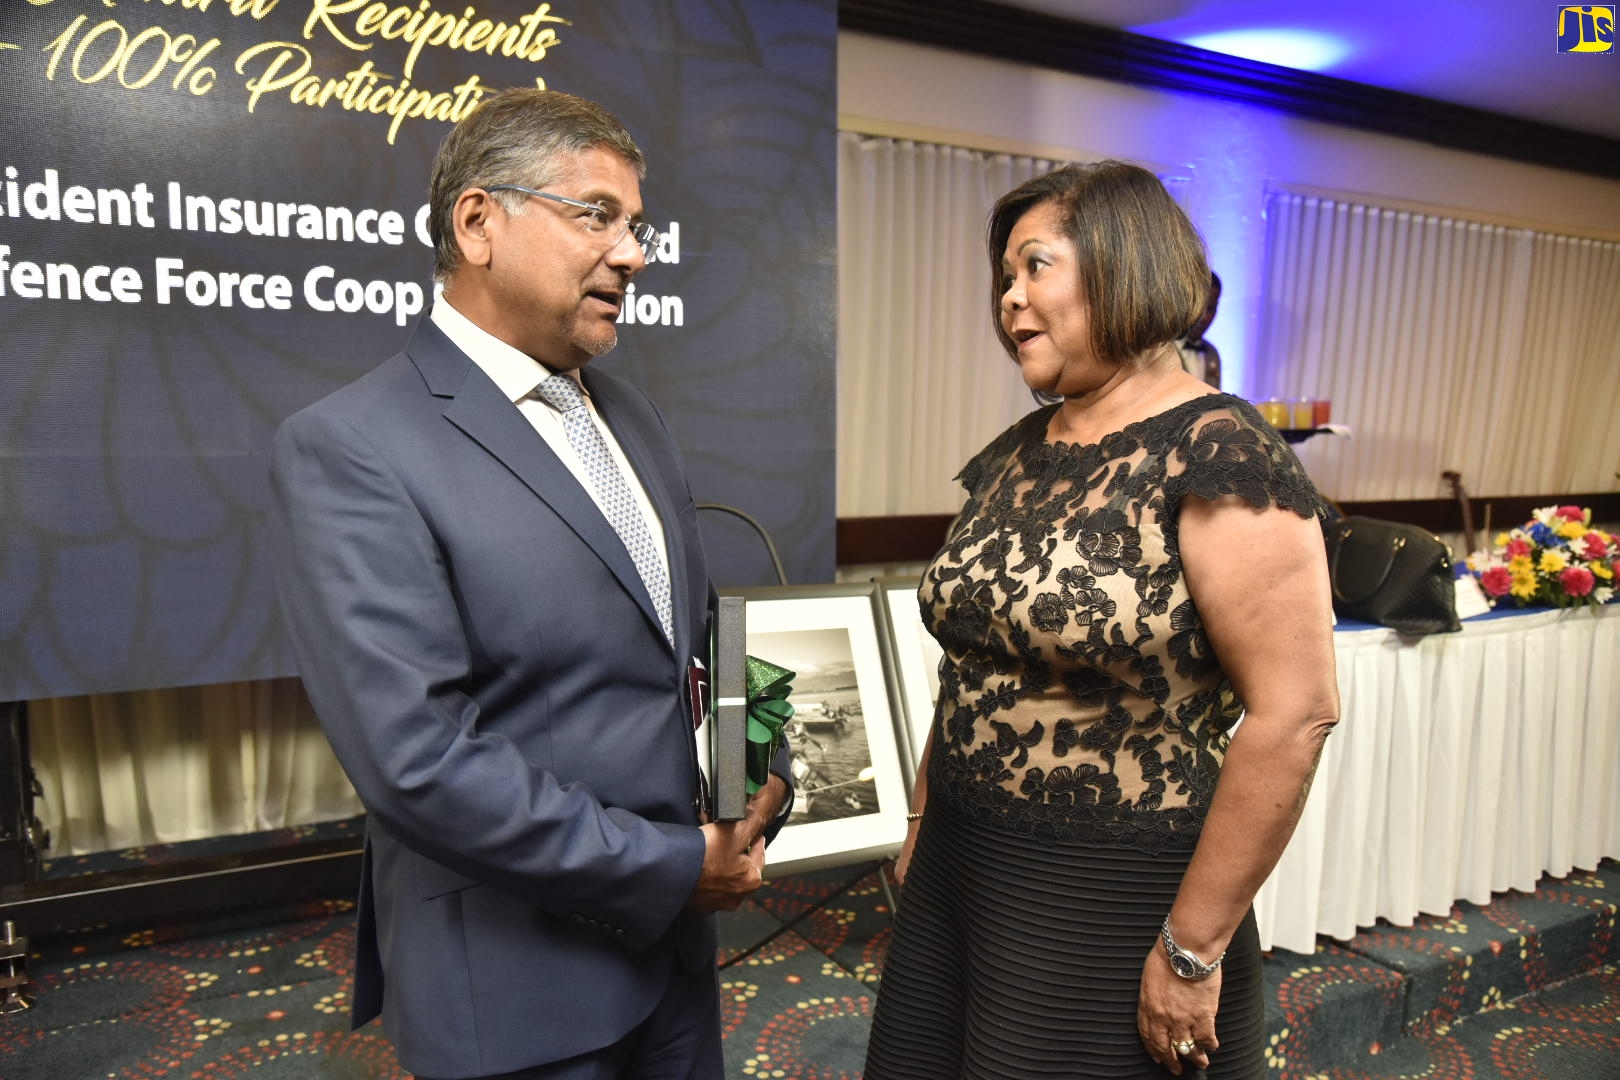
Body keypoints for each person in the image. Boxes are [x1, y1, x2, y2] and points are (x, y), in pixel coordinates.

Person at [269, 88, 790, 1080]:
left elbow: (699, 645)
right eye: (597, 216)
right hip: (517, 996)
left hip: (675, 969)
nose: (632, 254)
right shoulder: (351, 447)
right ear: (478, 223)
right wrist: (677, 867)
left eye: (637, 227)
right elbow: (416, 760)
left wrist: (754, 777)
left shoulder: (632, 415)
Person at [864, 162, 1339, 1079]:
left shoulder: (1219, 450)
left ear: (1125, 268)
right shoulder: (1016, 452)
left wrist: (1193, 949)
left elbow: (1295, 715)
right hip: (967, 857)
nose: (1009, 300)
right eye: (1005, 277)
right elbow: (972, 662)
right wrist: (926, 815)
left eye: (1035, 267)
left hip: (1109, 890)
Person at [1175, 270, 1223, 388]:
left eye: (1211, 308)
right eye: (1201, 306)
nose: (1205, 316)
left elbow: (1217, 403)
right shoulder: (1160, 351)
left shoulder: (1212, 354)